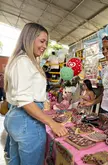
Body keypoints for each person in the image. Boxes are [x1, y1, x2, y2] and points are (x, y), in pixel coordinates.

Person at [4, 23, 68, 165]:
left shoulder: (21, 60)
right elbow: (26, 101)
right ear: (29, 39)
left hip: (16, 117)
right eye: (42, 41)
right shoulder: (24, 62)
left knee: (15, 161)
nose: (44, 46)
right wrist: (52, 123)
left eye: (46, 42)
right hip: (28, 120)